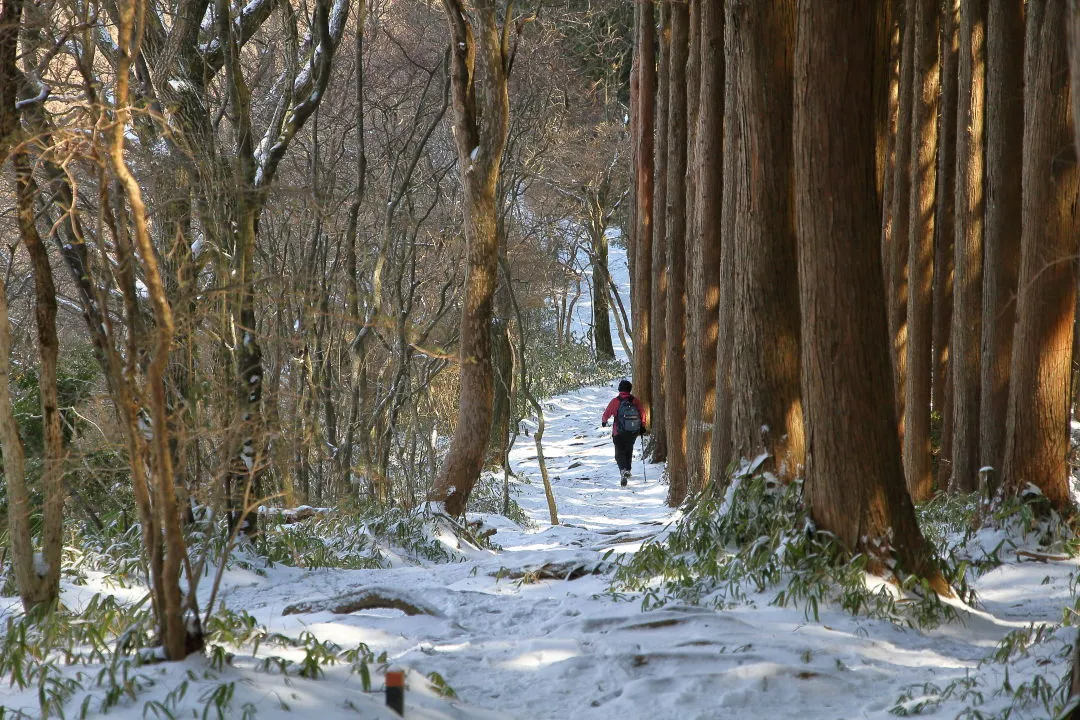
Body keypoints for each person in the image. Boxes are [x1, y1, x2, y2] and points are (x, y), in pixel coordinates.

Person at [601, 379, 647, 486]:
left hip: (619, 432)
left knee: (619, 453)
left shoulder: (615, 401)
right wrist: (642, 426)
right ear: (630, 389)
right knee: (628, 449)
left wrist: (604, 422)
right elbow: (642, 413)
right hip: (632, 432)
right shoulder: (635, 400)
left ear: (619, 389)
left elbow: (606, 413)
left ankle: (623, 470)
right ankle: (628, 470)